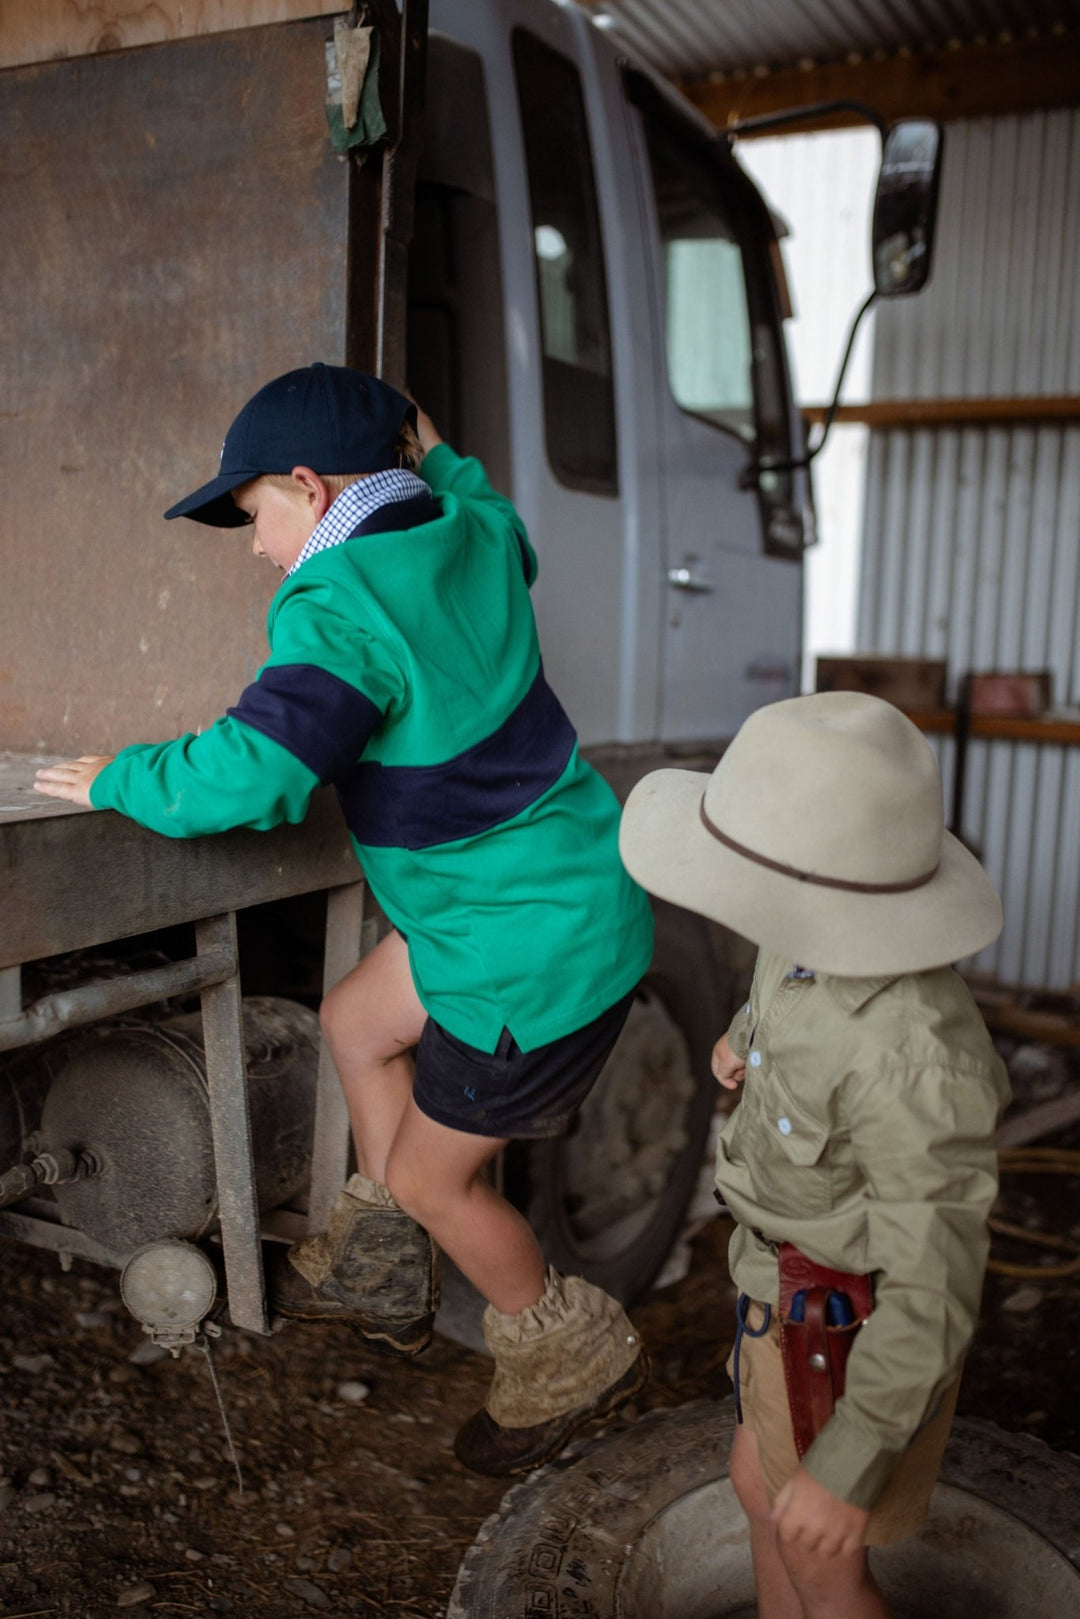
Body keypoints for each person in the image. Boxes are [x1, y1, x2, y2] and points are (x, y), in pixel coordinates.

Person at [35, 362, 653, 1477]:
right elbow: (497, 507)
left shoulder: (341, 606)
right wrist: (435, 442)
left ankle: (569, 1353)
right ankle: (377, 1258)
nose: (254, 543)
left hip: (526, 955)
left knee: (433, 1175)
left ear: (312, 489)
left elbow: (252, 774)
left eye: (255, 512)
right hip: (543, 894)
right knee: (358, 1020)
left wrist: (114, 778)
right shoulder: (468, 526)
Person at [618, 692, 1009, 1619]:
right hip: (771, 1289)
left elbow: (934, 1287)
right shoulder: (802, 938)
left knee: (817, 1546)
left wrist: (852, 1458)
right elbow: (786, 994)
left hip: (851, 1329)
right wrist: (743, 1036)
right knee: (758, 1487)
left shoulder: (914, 1059)